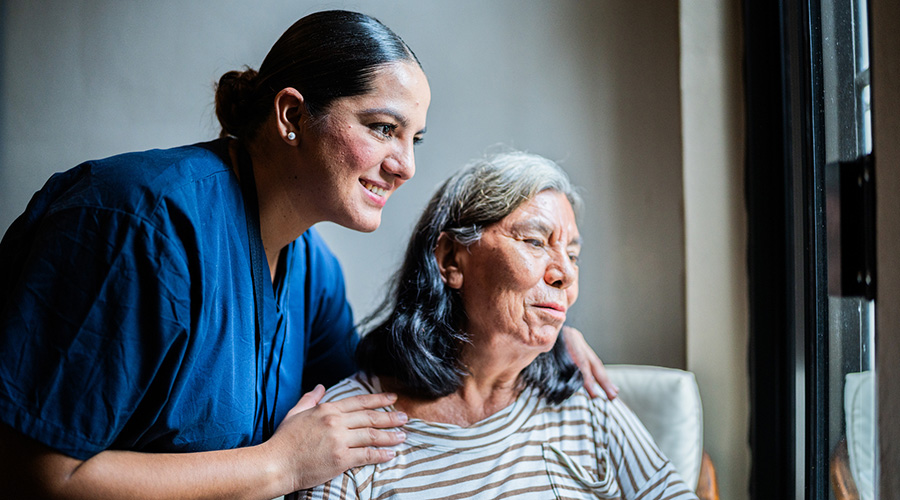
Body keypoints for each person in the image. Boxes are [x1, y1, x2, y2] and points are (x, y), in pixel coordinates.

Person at [0, 10, 614, 500]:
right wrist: (277, 465)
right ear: (292, 115)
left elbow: (382, 379)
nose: (406, 165)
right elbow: (39, 476)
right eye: (382, 128)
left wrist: (532, 333)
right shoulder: (136, 223)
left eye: (413, 138)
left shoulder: (311, 269)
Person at [296, 152, 698, 500]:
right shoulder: (353, 428)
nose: (565, 274)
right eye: (535, 241)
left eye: (572, 255)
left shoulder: (584, 398)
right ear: (452, 259)